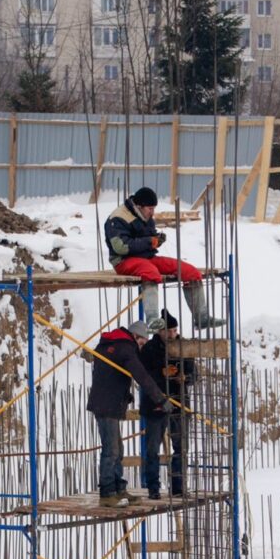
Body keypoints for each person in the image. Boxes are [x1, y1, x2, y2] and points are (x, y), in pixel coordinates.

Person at [105, 186, 225, 330]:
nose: (152, 212)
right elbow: (121, 247)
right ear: (139, 206)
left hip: (146, 258)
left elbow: (148, 237)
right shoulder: (118, 218)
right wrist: (150, 241)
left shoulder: (145, 215)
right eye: (150, 209)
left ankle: (202, 318)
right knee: (150, 272)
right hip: (123, 261)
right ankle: (152, 319)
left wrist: (157, 240)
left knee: (190, 272)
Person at [88, 320, 170, 507]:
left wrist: (124, 394)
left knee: (118, 448)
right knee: (111, 450)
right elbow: (142, 376)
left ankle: (118, 488)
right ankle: (108, 492)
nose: (141, 347)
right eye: (141, 343)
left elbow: (108, 375)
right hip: (106, 405)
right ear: (135, 337)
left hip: (107, 402)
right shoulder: (126, 348)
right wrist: (161, 399)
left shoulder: (110, 345)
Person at [140, 312, 194, 499]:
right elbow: (142, 376)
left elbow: (193, 374)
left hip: (179, 402)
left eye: (174, 330)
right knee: (152, 448)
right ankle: (153, 488)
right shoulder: (149, 349)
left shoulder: (184, 346)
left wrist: (184, 378)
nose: (173, 334)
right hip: (156, 404)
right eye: (169, 331)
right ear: (160, 331)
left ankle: (178, 486)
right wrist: (161, 373)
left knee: (181, 447)